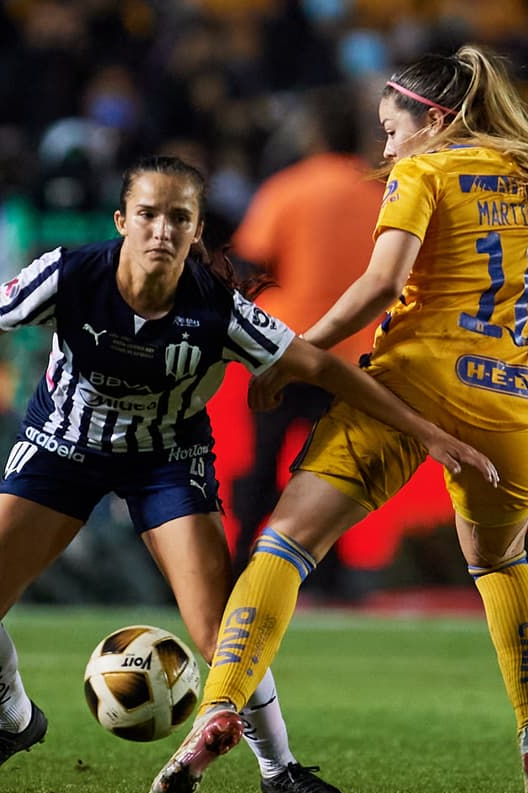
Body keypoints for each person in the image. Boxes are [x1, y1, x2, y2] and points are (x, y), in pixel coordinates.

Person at [0, 155, 497, 793]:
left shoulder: (217, 309)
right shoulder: (69, 273)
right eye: (148, 214)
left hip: (167, 458)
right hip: (63, 446)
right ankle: (14, 724)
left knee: (220, 634)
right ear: (121, 219)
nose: (161, 229)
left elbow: (325, 369)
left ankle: (279, 768)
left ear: (196, 231)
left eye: (178, 217)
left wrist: (425, 431)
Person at [148, 46, 528, 793]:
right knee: (501, 564)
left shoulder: (423, 173)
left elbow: (384, 282)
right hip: (513, 403)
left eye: (393, 129)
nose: (386, 146)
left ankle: (221, 705)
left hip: (411, 382)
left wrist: (301, 354)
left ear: (435, 120)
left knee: (284, 542)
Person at [228, 85, 385, 599]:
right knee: (331, 470)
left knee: (264, 461)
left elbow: (251, 263)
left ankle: (236, 568)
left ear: (313, 135)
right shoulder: (378, 194)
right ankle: (330, 575)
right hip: (350, 355)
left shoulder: (287, 189)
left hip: (283, 346)